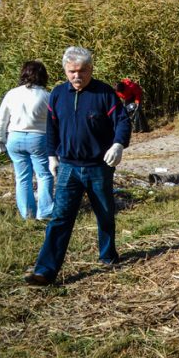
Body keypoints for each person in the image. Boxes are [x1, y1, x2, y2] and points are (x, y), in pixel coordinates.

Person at [25, 46, 131, 286]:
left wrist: (118, 145)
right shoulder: (58, 94)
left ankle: (108, 256)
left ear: (91, 69)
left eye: (82, 71)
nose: (77, 76)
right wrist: (52, 156)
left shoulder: (104, 93)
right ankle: (45, 271)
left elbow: (122, 121)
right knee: (60, 218)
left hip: (98, 167)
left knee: (104, 214)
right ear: (65, 70)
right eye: (72, 71)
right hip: (68, 168)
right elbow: (51, 127)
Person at [0, 61, 54, 220]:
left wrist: (0, 138)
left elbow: (2, 118)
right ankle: (45, 212)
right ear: (43, 76)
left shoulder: (12, 93)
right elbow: (55, 121)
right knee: (44, 175)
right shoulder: (47, 96)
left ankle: (27, 214)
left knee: (22, 177)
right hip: (38, 138)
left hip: (14, 137)